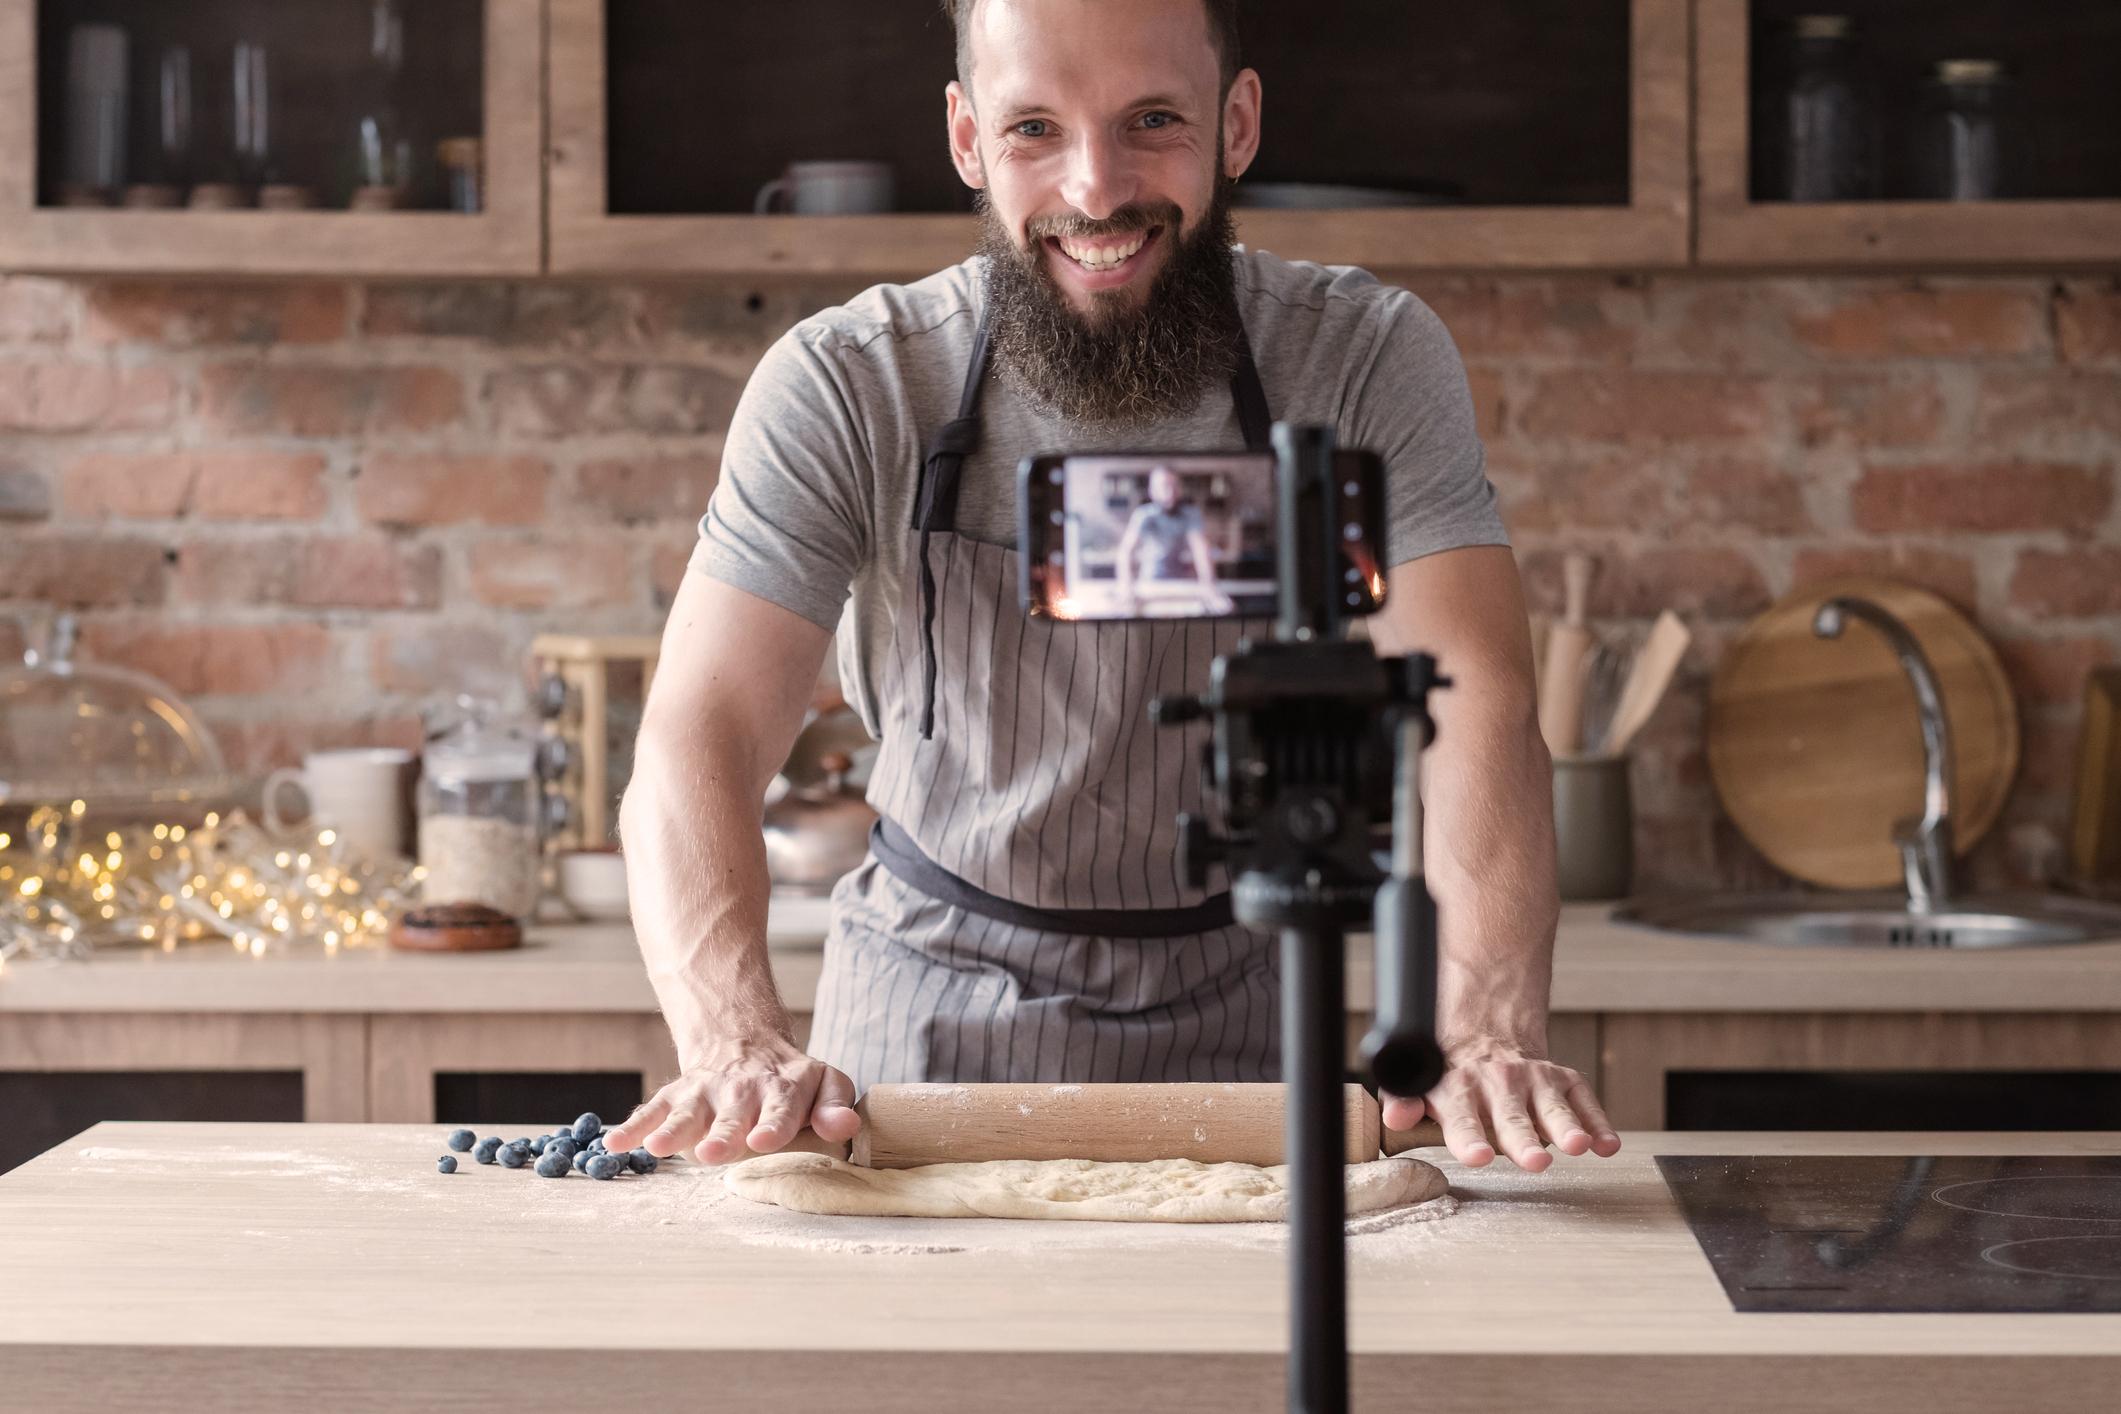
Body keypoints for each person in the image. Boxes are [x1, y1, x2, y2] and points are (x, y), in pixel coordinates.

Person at [603, 0, 1620, 1179]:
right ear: (968, 139)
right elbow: (701, 731)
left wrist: (1484, 1028)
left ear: (1236, 124)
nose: (1096, 190)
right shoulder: (850, 383)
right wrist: (731, 1037)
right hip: (915, 1044)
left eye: (1151, 120)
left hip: (1247, 1036)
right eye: (1035, 127)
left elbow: (1474, 702)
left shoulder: (1363, 359)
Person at [1112, 465, 1235, 614]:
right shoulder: (1144, 515)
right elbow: (1125, 552)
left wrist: (1209, 585)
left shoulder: (1191, 514)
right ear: (1153, 491)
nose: (1169, 492)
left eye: (1174, 485)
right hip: (1150, 582)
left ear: (1180, 489)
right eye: (1164, 486)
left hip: (1181, 582)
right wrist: (1125, 585)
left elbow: (1201, 550)